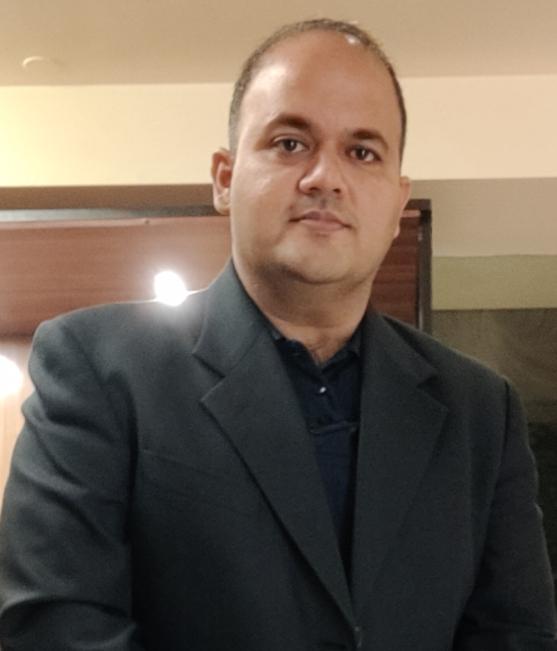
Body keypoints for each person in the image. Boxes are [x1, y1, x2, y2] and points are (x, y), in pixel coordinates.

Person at [0, 17, 555, 651]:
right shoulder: (98, 368)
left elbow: (516, 635)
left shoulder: (481, 411)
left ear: (398, 203)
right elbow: (56, 627)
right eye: (290, 143)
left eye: (362, 152)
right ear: (225, 178)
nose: (325, 177)